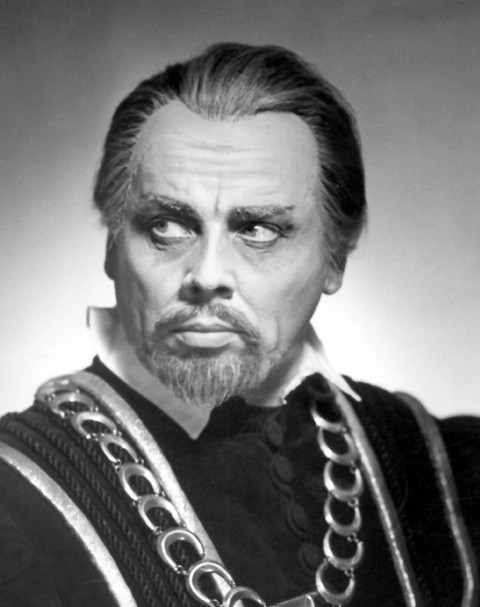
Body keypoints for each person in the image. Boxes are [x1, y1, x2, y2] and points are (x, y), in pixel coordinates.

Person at [0, 42, 478, 607]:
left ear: (335, 258)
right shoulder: (13, 502)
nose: (206, 275)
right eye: (167, 226)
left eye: (258, 231)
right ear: (111, 245)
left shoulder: (438, 468)